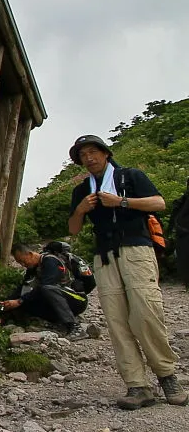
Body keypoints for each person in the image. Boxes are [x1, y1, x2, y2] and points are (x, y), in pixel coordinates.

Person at [67, 134, 187, 410]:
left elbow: (158, 203)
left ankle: (167, 375)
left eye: (93, 152)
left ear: (106, 153)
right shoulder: (83, 190)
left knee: (146, 311)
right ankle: (136, 385)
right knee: (117, 320)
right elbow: (73, 229)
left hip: (136, 249)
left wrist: (121, 202)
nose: (89, 158)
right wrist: (81, 210)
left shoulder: (129, 177)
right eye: (83, 154)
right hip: (105, 256)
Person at [1, 243, 88, 340]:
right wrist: (6, 304)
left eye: (23, 261)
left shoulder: (51, 261)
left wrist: (19, 301)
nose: (23, 265)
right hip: (56, 303)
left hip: (77, 300)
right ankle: (53, 323)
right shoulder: (32, 269)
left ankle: (75, 327)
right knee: (25, 300)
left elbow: (44, 287)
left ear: (30, 254)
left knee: (46, 289)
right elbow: (22, 288)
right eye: (20, 263)